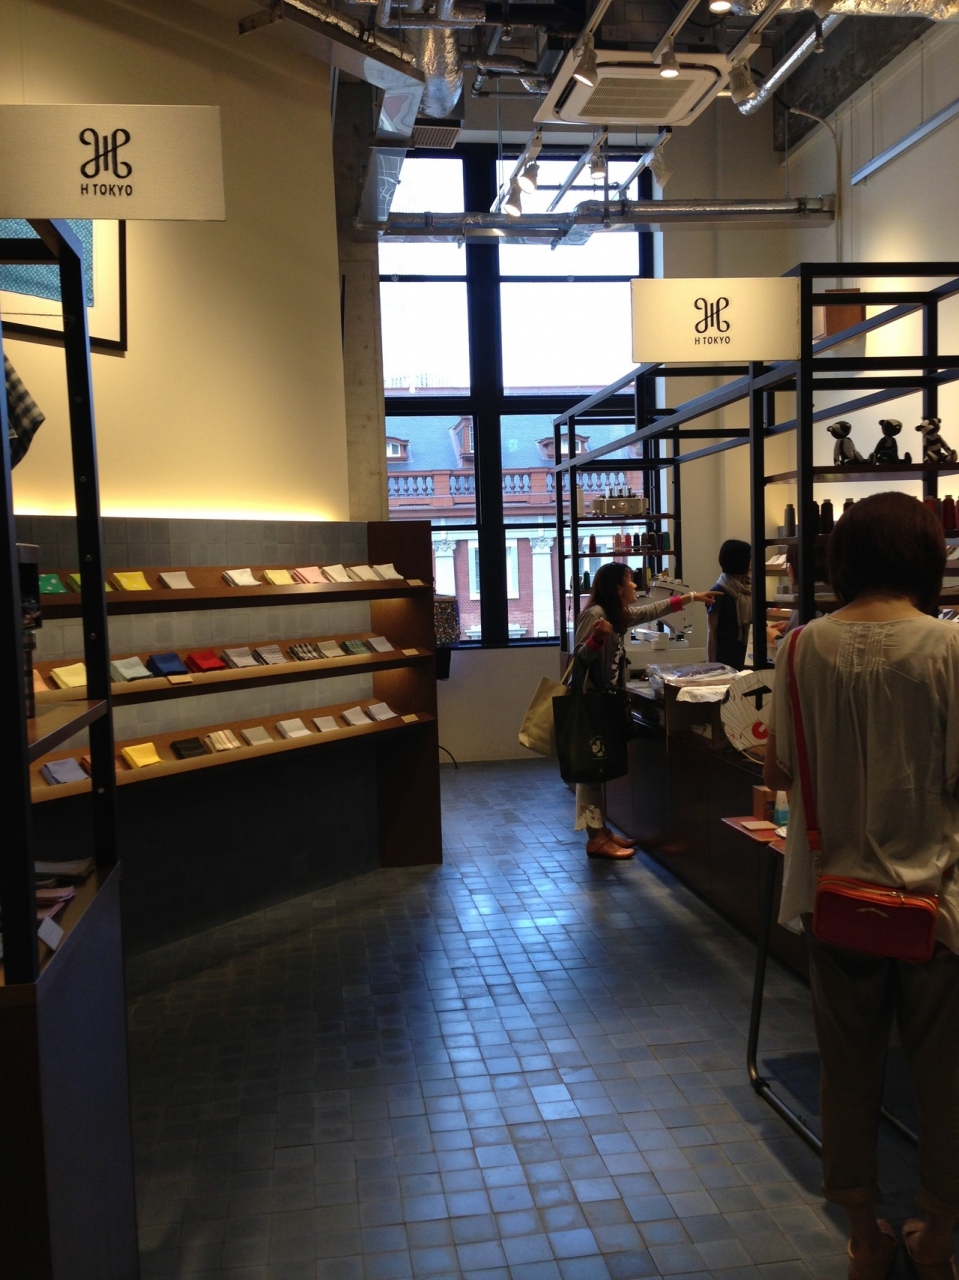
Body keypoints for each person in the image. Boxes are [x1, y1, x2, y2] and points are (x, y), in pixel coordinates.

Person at [763, 492, 959, 1280]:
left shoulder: (799, 647)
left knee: (845, 1076)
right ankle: (935, 1240)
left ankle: (862, 1240)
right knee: (946, 1080)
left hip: (834, 899)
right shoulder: (948, 646)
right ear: (927, 556)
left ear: (841, 558)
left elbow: (777, 769)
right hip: (937, 903)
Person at [574, 563, 717, 860]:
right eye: (630, 581)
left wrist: (691, 598)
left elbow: (652, 611)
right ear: (617, 588)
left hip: (605, 702)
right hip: (591, 704)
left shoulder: (616, 614)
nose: (635, 586)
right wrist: (597, 639)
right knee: (591, 771)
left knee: (599, 769)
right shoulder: (596, 615)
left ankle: (601, 831)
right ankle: (595, 839)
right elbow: (579, 659)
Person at [707, 538, 752, 668]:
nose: (751, 564)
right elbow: (712, 631)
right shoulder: (718, 592)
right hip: (725, 659)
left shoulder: (749, 589)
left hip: (748, 655)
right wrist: (711, 665)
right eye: (749, 559)